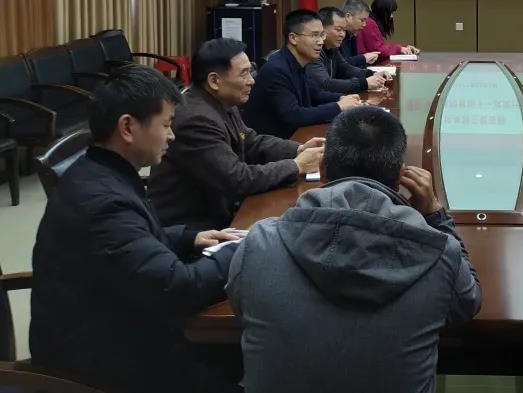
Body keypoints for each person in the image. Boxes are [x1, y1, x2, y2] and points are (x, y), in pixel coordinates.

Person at [227, 107, 481, 393]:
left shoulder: (259, 244)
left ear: (322, 169)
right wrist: (435, 215)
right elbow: (467, 302)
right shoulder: (440, 254)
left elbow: (242, 306)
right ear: (400, 178)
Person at [30, 65, 244, 393]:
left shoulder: (103, 169)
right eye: (166, 125)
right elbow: (178, 287)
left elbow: (131, 241)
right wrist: (241, 250)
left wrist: (190, 238)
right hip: (101, 364)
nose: (172, 136)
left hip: (120, 326)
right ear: (128, 127)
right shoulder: (103, 203)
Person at [149, 38, 324, 229]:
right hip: (194, 228)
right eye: (244, 73)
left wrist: (298, 149)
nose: (252, 80)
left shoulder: (221, 101)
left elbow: (251, 142)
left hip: (220, 212)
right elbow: (237, 179)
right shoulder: (196, 119)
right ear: (214, 81)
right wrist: (296, 166)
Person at [243, 9, 362, 138]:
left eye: (322, 35)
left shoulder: (300, 62)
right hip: (275, 142)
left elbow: (315, 94)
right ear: (293, 38)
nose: (321, 41)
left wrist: (342, 98)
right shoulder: (277, 69)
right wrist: (338, 106)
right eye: (314, 35)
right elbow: (294, 115)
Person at [307, 6, 389, 94]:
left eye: (344, 30)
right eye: (338, 30)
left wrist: (372, 74)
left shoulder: (332, 47)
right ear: (322, 29)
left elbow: (346, 69)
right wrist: (364, 83)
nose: (342, 34)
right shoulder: (313, 51)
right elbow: (325, 84)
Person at [356, 0, 420, 58]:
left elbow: (381, 46)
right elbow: (378, 50)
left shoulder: (372, 22)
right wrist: (399, 49)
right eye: (390, 13)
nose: (391, 16)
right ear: (382, 11)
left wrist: (404, 47)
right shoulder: (369, 23)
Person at [340, 0, 379, 67]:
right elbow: (339, 65)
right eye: (362, 20)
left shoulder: (352, 33)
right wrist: (363, 58)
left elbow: (352, 65)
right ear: (348, 16)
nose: (364, 24)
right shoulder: (336, 36)